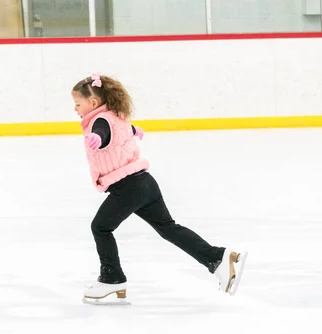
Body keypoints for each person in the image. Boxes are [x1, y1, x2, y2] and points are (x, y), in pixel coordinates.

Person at [72, 73, 248, 303]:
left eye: (77, 104)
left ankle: (112, 278)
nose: (75, 109)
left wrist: (97, 138)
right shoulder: (116, 116)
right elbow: (122, 131)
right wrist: (135, 131)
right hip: (144, 183)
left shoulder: (99, 122)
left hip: (128, 188)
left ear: (93, 103)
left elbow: (103, 133)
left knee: (101, 228)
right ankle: (217, 258)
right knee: (168, 228)